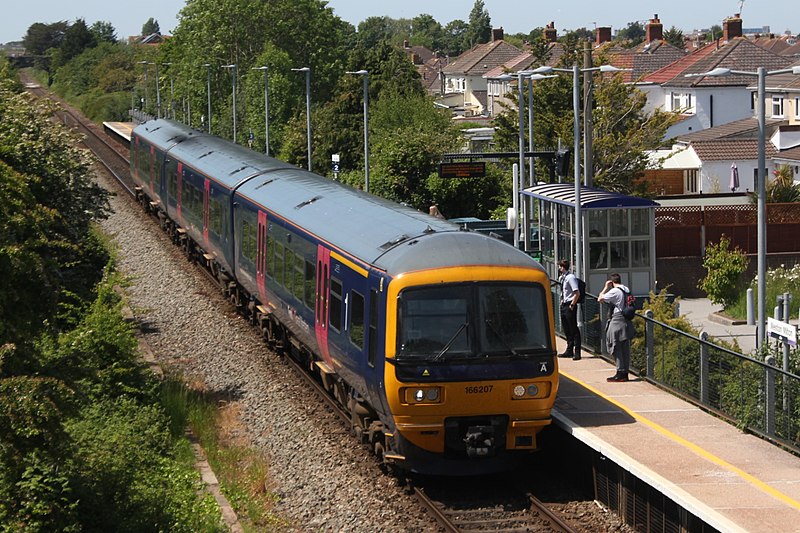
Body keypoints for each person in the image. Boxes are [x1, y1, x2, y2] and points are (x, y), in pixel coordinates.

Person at [597, 273, 635, 382]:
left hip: (617, 319)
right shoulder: (626, 289)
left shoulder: (615, 291)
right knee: (624, 348)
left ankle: (620, 372)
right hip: (626, 320)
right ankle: (625, 373)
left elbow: (600, 299)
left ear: (612, 282)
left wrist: (605, 287)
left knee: (615, 345)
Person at [557, 259, 581, 360]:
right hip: (564, 304)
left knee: (573, 328)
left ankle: (577, 351)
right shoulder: (562, 278)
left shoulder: (570, 278)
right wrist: (562, 300)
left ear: (563, 267)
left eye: (559, 266)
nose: (558, 268)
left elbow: (577, 292)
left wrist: (572, 304)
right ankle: (569, 349)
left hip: (570, 305)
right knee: (566, 328)